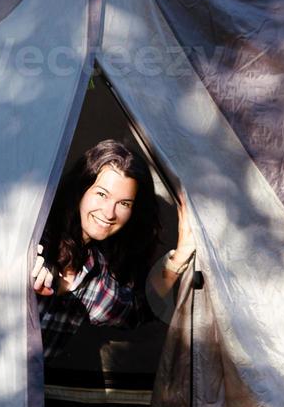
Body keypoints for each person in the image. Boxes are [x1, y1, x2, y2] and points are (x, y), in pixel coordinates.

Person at [30, 139, 195, 359]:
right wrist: (21, 272)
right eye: (101, 194)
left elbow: (136, 310)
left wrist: (180, 257)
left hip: (25, 390)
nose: (109, 213)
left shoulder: (95, 273)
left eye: (124, 203)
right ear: (81, 189)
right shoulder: (33, 234)